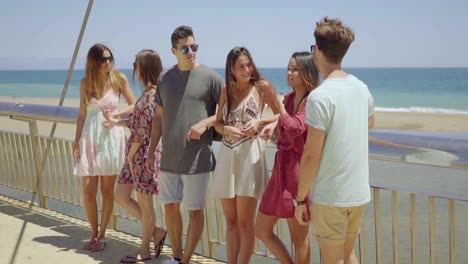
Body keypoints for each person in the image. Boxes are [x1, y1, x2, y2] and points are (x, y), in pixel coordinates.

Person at [294, 17, 375, 264]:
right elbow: (369, 122)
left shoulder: (320, 97)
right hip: (358, 193)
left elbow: (311, 154)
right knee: (348, 255)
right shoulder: (361, 88)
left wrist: (300, 199)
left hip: (332, 196)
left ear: (317, 51)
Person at [145, 26, 224, 264]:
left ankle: (186, 260)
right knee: (170, 208)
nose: (191, 52)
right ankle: (176, 256)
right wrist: (151, 151)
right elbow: (158, 117)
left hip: (197, 159)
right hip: (168, 158)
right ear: (173, 51)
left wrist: (205, 123)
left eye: (194, 47)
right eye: (185, 48)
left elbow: (225, 114)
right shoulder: (164, 78)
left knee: (195, 211)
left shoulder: (212, 78)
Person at [210, 47, 277, 264]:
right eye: (241, 66)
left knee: (246, 223)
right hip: (228, 158)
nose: (247, 69)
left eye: (249, 64)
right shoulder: (225, 90)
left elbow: (281, 113)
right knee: (231, 221)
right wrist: (225, 130)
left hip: (250, 157)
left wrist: (260, 122)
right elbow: (218, 123)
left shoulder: (261, 87)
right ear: (231, 68)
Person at [255, 51, 319, 264]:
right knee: (262, 229)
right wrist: (272, 123)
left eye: (295, 70)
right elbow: (284, 122)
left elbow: (294, 128)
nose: (290, 73)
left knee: (299, 238)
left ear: (307, 73)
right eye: (288, 69)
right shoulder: (290, 98)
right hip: (281, 169)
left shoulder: (311, 101)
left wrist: (276, 102)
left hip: (298, 172)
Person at [104, 49, 167, 263]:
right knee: (121, 196)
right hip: (136, 154)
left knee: (146, 205)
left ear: (145, 67)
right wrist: (117, 121)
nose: (134, 69)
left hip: (143, 156)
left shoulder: (152, 95)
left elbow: (143, 132)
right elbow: (138, 122)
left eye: (136, 64)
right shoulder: (148, 93)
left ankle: (145, 250)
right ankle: (157, 232)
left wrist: (131, 157)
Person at [73, 43, 136, 251]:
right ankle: (92, 231)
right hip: (90, 139)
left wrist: (116, 116)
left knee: (107, 190)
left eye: (110, 58)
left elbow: (134, 104)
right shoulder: (85, 83)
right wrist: (76, 142)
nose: (107, 62)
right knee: (88, 192)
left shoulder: (119, 79)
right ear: (94, 62)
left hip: (110, 138)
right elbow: (82, 114)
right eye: (103, 59)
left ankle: (101, 235)